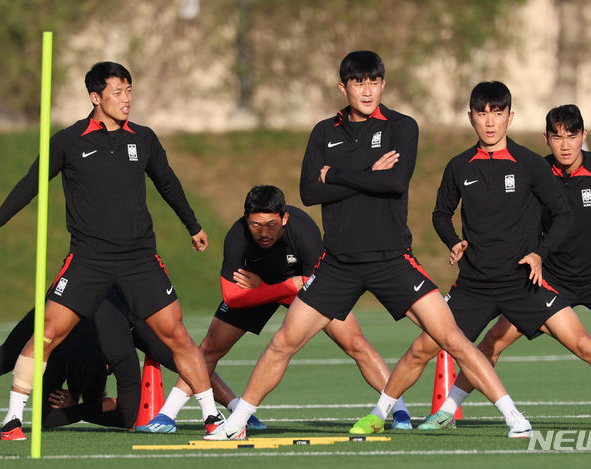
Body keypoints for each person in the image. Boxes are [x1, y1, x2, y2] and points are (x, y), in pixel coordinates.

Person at [205, 51, 531, 441]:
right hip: (337, 263)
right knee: (283, 343)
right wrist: (367, 173)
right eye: (359, 83)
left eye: (374, 82)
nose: (367, 90)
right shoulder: (324, 132)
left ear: (383, 84)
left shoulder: (402, 126)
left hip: (392, 258)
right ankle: (237, 422)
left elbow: (394, 183)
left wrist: (338, 175)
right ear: (344, 87)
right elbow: (310, 191)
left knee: (452, 338)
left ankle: (513, 416)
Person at [379, 82, 591, 434]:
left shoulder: (532, 165)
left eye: (498, 113)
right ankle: (417, 411)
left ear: (510, 117)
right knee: (451, 346)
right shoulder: (460, 166)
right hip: (481, 284)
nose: (490, 122)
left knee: (585, 343)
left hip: (536, 282)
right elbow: (440, 214)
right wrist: (454, 241)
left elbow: (567, 217)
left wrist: (539, 254)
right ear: (471, 118)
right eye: (482, 114)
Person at [0, 62, 221, 440]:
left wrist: (193, 225)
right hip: (88, 259)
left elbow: (168, 183)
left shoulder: (144, 138)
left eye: (129, 91)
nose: (126, 99)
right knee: (48, 332)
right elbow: (29, 184)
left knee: (177, 335)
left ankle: (213, 419)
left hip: (139, 259)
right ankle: (13, 419)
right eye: (117, 92)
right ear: (95, 97)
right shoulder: (69, 141)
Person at [137, 185, 413, 433]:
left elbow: (318, 282)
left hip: (308, 292)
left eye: (271, 224)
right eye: (256, 224)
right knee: (209, 348)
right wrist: (279, 287)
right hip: (258, 293)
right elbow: (232, 297)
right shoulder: (237, 235)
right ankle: (166, 416)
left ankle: (399, 411)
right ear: (246, 220)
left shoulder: (303, 229)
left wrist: (285, 286)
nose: (264, 232)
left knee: (355, 343)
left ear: (285, 218)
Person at [0, 289, 181, 438]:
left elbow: (128, 416)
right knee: (1, 360)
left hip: (119, 302)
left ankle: (212, 411)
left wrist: (82, 407)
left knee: (184, 360)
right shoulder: (56, 350)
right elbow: (47, 418)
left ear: (107, 367)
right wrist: (96, 405)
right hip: (63, 300)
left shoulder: (119, 348)